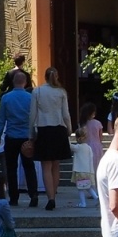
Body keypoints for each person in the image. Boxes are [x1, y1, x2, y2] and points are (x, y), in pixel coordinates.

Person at [31, 66, 74, 211]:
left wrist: (30, 133)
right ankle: (53, 194)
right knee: (56, 165)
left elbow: (32, 114)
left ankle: (50, 197)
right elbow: (66, 113)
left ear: (44, 76)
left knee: (46, 166)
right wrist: (69, 128)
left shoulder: (37, 91)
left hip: (44, 129)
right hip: (59, 129)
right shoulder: (61, 92)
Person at [0, 69, 39, 208]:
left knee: (11, 168)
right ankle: (33, 194)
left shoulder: (6, 98)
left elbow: (1, 119)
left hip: (12, 136)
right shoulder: (30, 97)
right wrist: (34, 135)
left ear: (13, 82)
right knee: (29, 166)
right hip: (26, 137)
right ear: (25, 82)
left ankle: (14, 197)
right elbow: (35, 118)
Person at [70, 134, 95, 207]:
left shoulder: (78, 147)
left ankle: (83, 203)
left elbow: (70, 146)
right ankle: (96, 196)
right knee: (87, 186)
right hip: (88, 171)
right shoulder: (89, 148)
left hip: (79, 171)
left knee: (80, 188)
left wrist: (67, 137)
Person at [81, 102, 104, 173]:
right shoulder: (98, 123)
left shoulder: (82, 124)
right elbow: (101, 137)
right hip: (97, 146)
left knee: (87, 166)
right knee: (97, 166)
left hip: (85, 146)